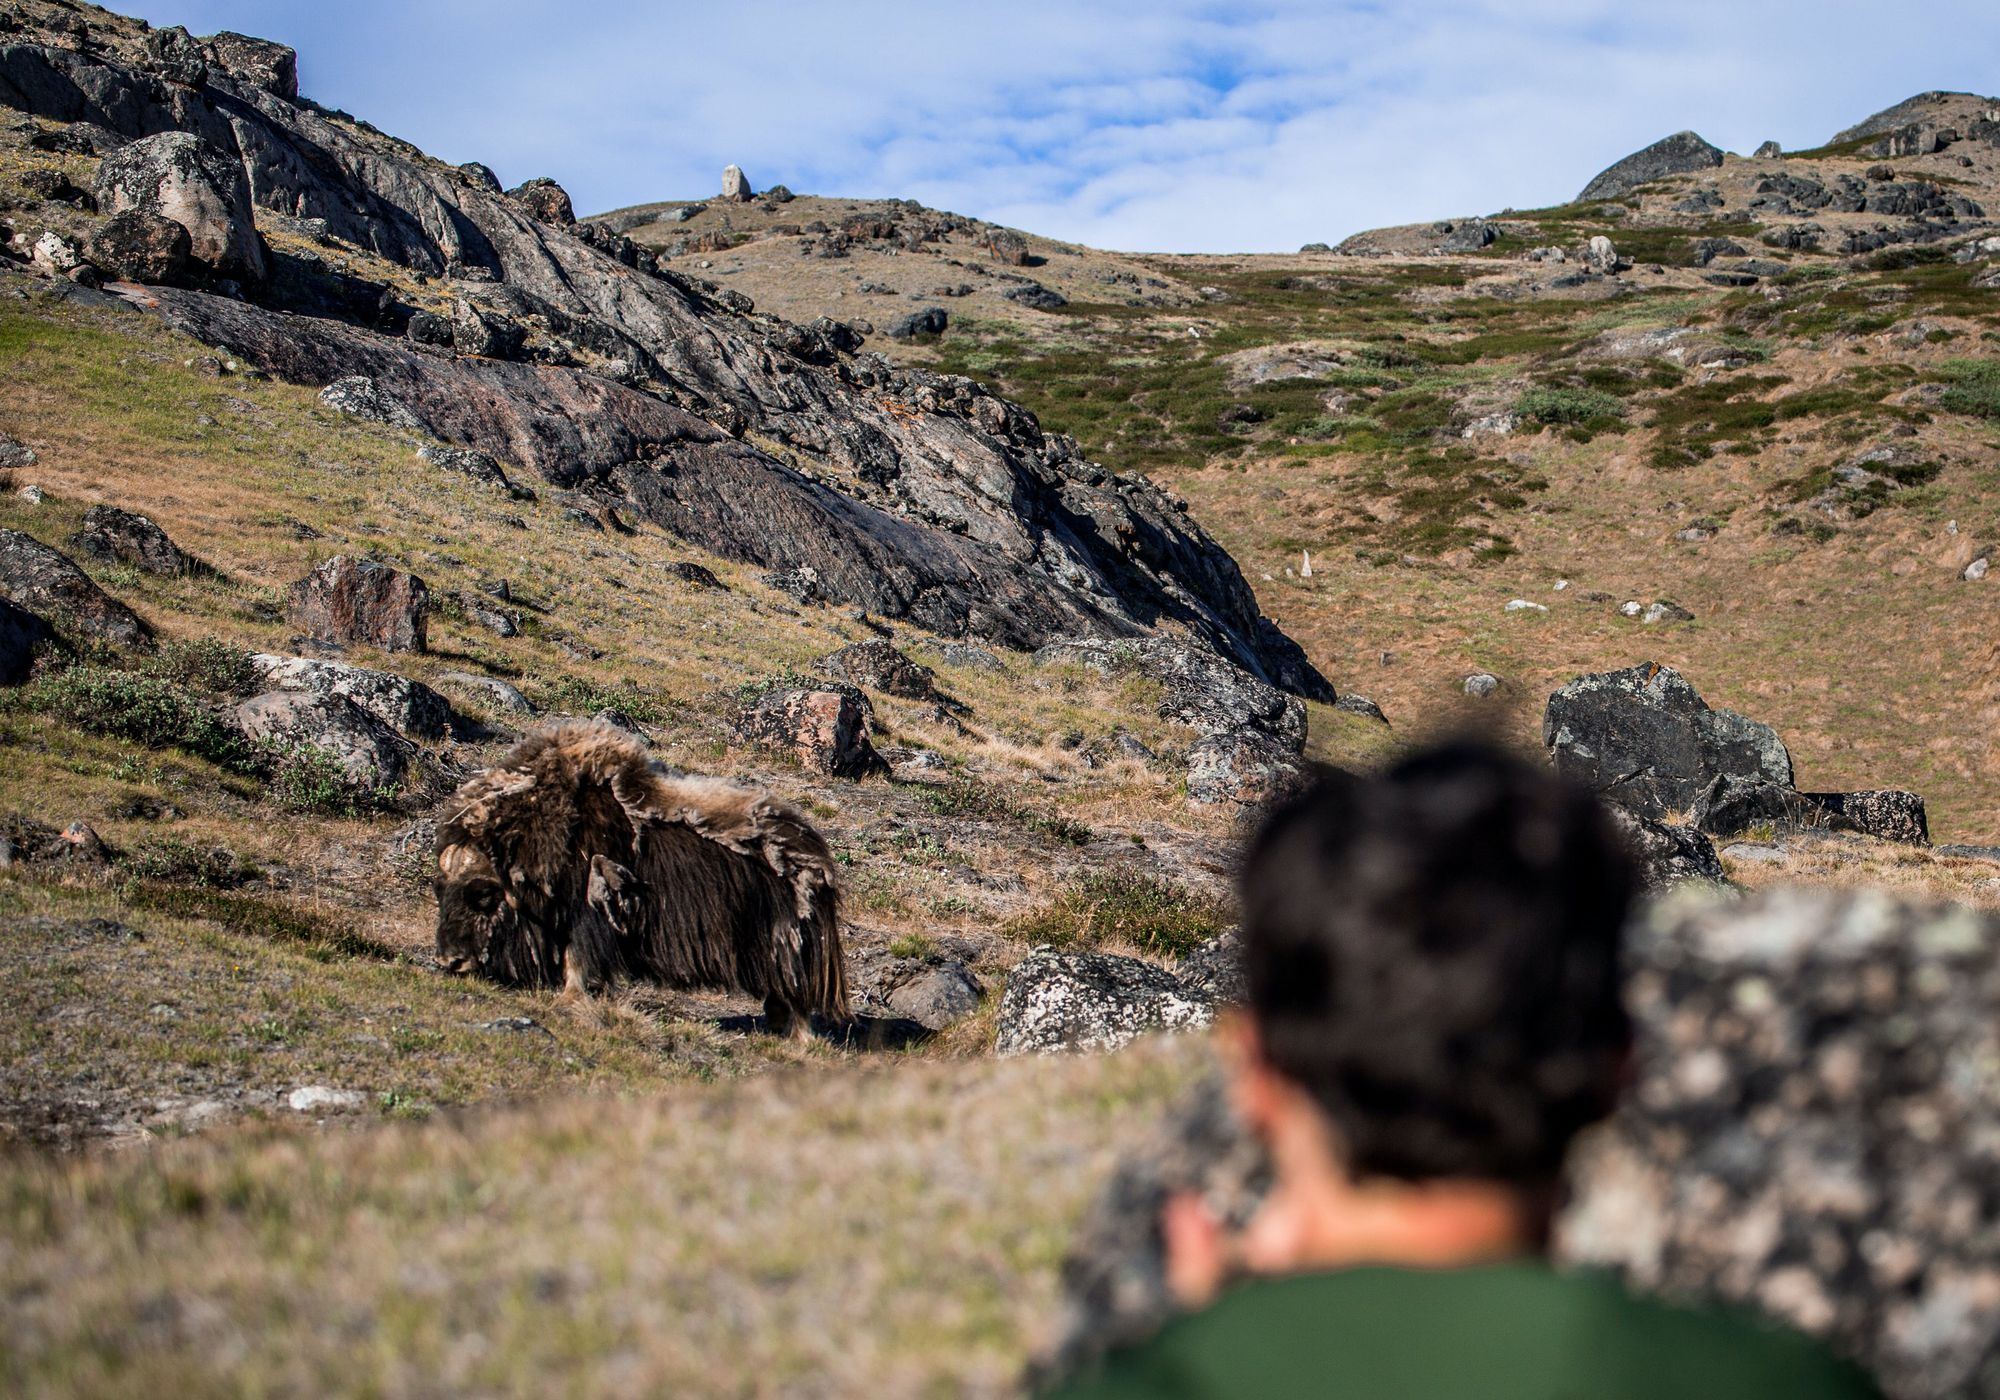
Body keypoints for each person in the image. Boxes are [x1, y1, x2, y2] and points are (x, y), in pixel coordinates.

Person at [1046, 742, 1881, 1399]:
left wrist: (1213, 1351)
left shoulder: (1161, 1378)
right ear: (1618, 1068)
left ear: (1255, 1074)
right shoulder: (1786, 1382)